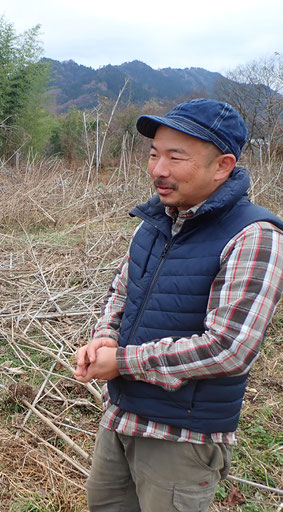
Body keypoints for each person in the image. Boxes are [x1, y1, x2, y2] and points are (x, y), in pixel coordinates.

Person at [73, 98, 283, 512]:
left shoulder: (254, 236)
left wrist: (124, 362)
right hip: (121, 416)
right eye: (153, 154)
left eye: (175, 156)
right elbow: (121, 292)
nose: (158, 170)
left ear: (223, 165)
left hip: (181, 437)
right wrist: (103, 339)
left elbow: (229, 349)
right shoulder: (157, 223)